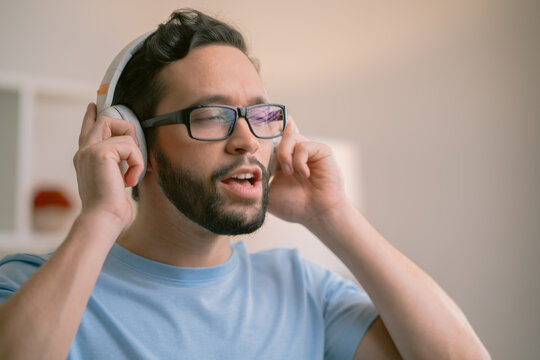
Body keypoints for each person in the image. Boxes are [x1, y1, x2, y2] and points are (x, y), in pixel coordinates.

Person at [0, 9, 490, 360]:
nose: (247, 140)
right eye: (212, 115)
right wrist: (100, 218)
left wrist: (333, 215)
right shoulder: (27, 285)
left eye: (259, 114)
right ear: (137, 144)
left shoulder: (303, 289)